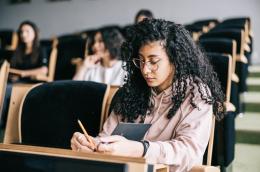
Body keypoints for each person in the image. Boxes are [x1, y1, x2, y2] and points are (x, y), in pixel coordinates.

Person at [70, 19, 225, 172]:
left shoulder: (196, 95)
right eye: (141, 61)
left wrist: (140, 149)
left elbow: (188, 152)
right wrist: (91, 144)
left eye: (153, 61)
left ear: (175, 60)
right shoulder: (131, 91)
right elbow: (106, 138)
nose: (145, 70)